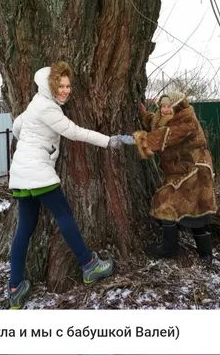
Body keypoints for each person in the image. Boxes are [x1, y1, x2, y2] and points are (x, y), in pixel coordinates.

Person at [8, 61, 132, 309]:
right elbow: (75, 132)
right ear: (51, 85)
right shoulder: (49, 109)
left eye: (67, 86)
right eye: (60, 86)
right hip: (37, 171)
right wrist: (110, 141)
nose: (65, 90)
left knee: (24, 229)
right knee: (64, 215)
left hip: (20, 174)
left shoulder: (36, 102)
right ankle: (89, 265)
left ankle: (15, 287)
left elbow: (17, 127)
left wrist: (31, 145)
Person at [134, 92, 217, 264]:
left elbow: (165, 135)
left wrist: (138, 140)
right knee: (186, 210)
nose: (164, 110)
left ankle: (199, 254)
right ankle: (179, 248)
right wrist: (144, 114)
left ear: (177, 107)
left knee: (183, 208)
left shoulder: (186, 121)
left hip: (194, 171)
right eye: (162, 106)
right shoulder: (169, 118)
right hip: (181, 171)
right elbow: (156, 123)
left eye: (168, 106)